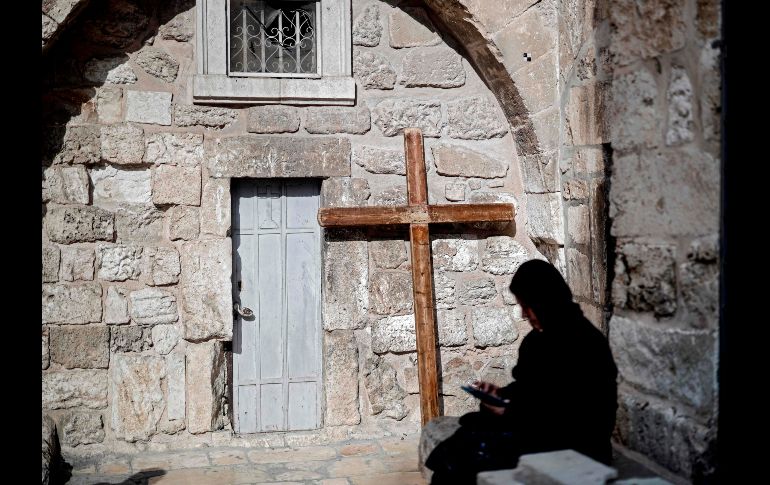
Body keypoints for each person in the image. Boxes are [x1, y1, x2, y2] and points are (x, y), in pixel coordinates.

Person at [425, 259, 618, 484]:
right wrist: (500, 395)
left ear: (545, 301)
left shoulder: (586, 344)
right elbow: (529, 390)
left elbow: (571, 413)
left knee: (472, 453)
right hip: (537, 430)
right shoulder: (537, 341)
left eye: (527, 306)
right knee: (466, 437)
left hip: (576, 444)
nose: (524, 315)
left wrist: (508, 412)